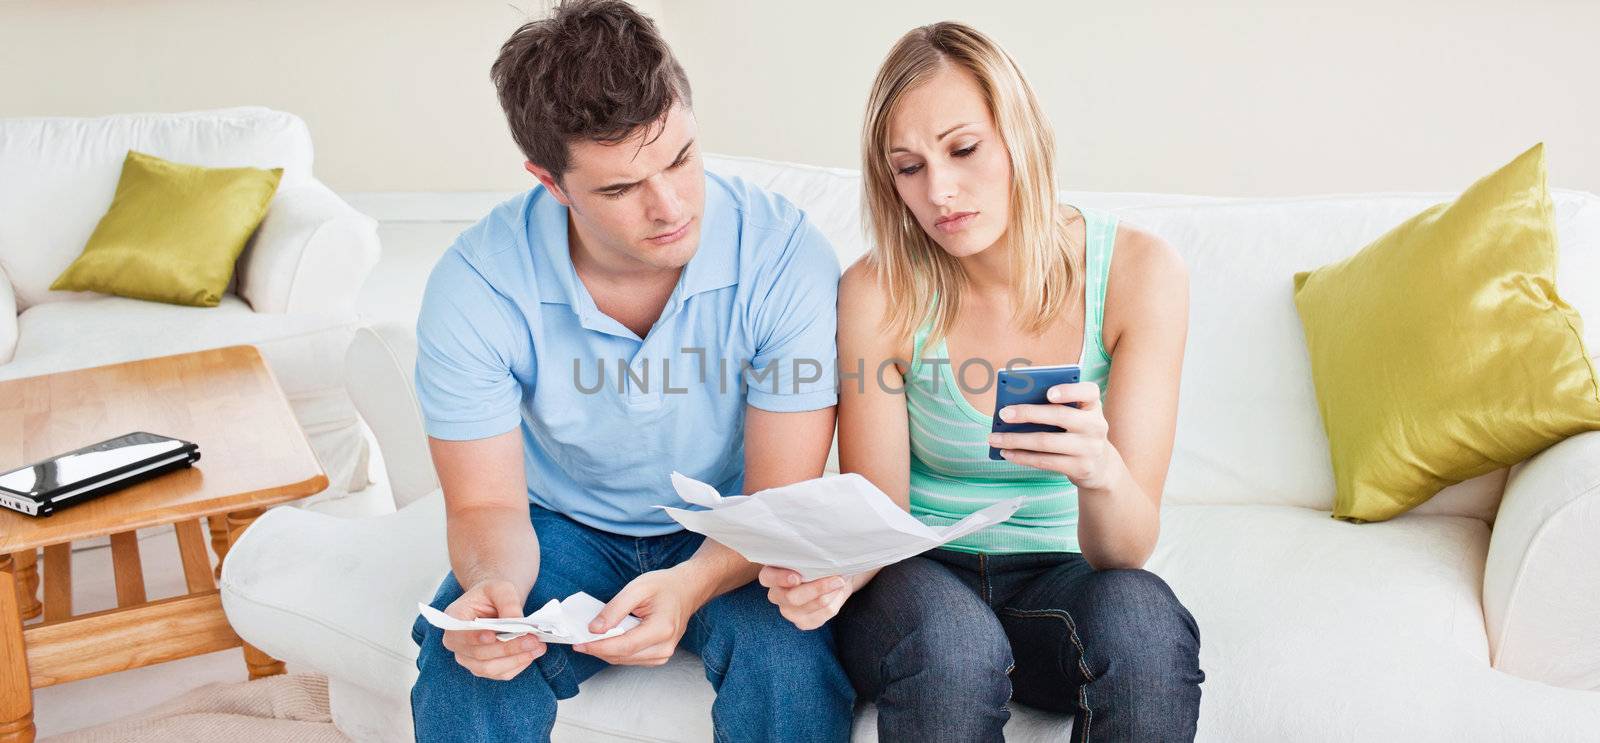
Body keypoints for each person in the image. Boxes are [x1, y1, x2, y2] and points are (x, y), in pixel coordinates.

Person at [407, 2, 852, 740]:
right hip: (562, 529)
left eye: (680, 157)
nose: (670, 206)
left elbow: (781, 497)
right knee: (463, 664)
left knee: (788, 657)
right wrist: (494, 587)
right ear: (551, 182)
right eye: (619, 189)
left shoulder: (781, 254)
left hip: (732, 524)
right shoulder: (477, 284)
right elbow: (486, 508)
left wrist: (691, 584)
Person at [760, 21, 1204, 742]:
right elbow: (881, 513)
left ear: (1019, 136)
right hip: (918, 579)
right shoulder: (877, 291)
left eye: (963, 149)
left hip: (1065, 574)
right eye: (908, 167)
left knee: (1146, 622)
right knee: (955, 649)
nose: (940, 191)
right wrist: (837, 573)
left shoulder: (1139, 273)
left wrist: (1099, 471)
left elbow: (1122, 554)